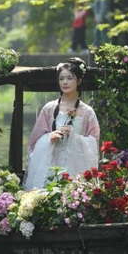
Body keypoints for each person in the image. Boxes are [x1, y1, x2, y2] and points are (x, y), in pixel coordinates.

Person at [23, 58, 100, 190]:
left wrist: (74, 136)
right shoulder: (49, 108)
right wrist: (49, 138)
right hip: (51, 165)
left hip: (76, 167)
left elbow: (94, 142)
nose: (65, 82)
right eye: (61, 79)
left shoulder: (87, 112)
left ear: (79, 81)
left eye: (69, 78)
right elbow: (33, 143)